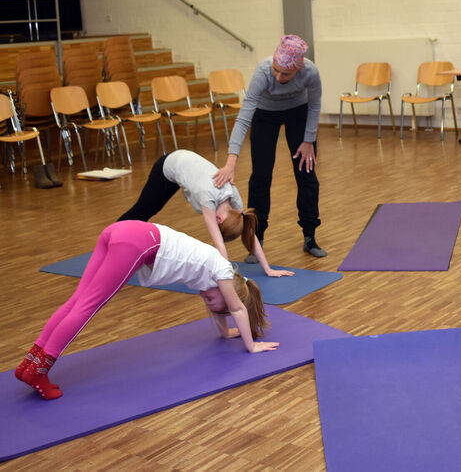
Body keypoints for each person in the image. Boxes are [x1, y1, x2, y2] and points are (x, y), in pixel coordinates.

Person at [15, 220, 279, 400]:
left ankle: (30, 363)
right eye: (212, 301)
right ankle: (39, 370)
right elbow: (237, 308)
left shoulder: (210, 274)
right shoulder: (222, 270)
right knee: (88, 306)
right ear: (228, 292)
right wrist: (251, 346)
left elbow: (225, 307)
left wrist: (226, 332)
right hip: (137, 243)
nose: (206, 300)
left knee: (77, 301)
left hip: (120, 230)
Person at [212, 34, 326, 259]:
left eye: (286, 73)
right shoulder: (263, 71)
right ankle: (257, 240)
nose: (278, 76)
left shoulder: (310, 72)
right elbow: (244, 116)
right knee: (261, 177)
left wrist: (308, 140)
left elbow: (314, 105)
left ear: (298, 69)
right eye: (276, 70)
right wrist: (231, 160)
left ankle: (310, 237)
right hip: (265, 115)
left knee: (306, 175)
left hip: (299, 113)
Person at [118, 149, 293, 278]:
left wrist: (268, 269)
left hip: (185, 165)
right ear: (219, 219)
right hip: (168, 165)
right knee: (144, 210)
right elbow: (219, 244)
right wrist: (228, 276)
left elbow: (249, 231)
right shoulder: (207, 198)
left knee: (149, 210)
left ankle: (121, 240)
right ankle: (114, 235)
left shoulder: (233, 198)